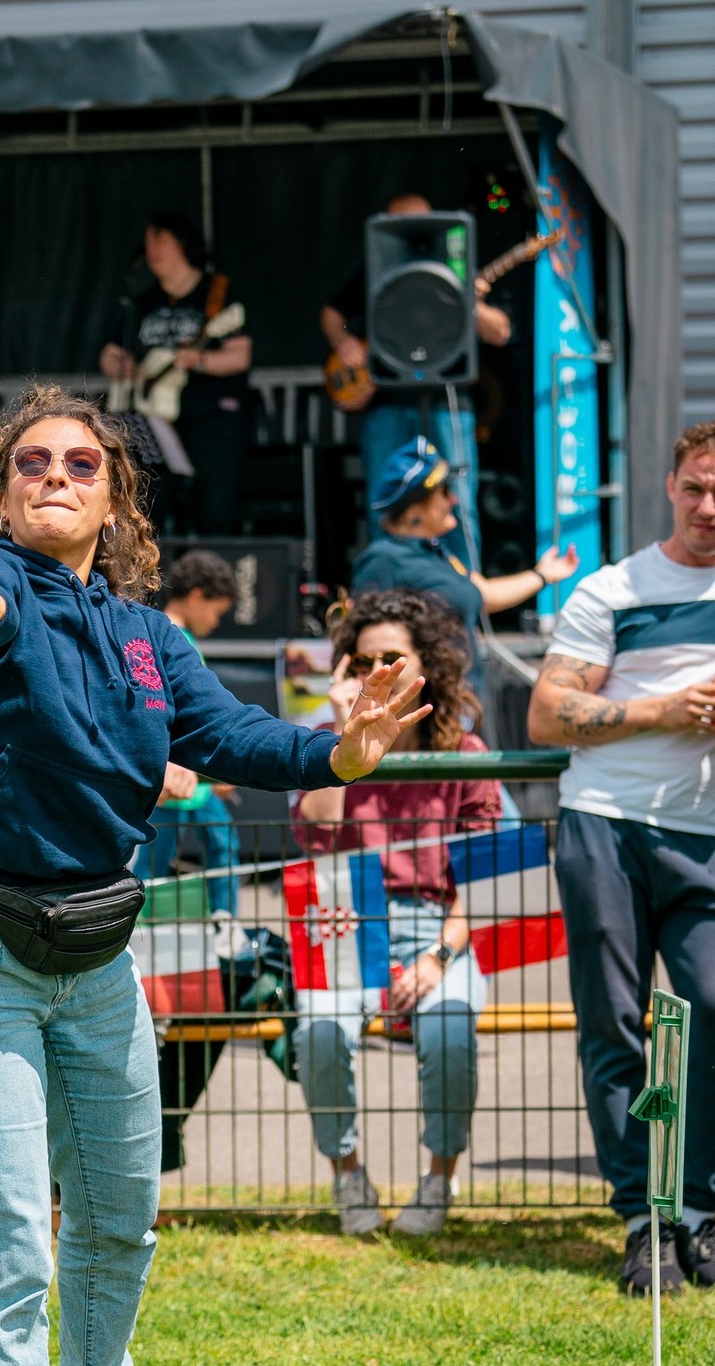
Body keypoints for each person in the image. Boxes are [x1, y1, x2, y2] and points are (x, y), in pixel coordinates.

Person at [0, 384, 428, 1365]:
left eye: (81, 464)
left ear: (115, 499)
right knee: (13, 1245)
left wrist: (338, 755)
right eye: (32, 463)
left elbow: (230, 733)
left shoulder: (149, 637)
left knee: (117, 1226)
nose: (55, 475)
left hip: (100, 965)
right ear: (1, 496)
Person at [527, 422, 715, 1298]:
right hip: (607, 821)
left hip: (707, 833)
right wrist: (662, 711)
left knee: (711, 1013)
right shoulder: (614, 590)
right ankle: (644, 1219)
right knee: (614, 1024)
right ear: (670, 487)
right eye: (695, 488)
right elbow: (547, 714)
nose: (708, 507)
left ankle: (702, 1211)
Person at [292, 588, 503, 1235]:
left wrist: (440, 958)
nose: (375, 672)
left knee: (448, 1025)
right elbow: (314, 838)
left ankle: (439, 1179)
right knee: (319, 1030)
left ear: (425, 665)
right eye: (361, 662)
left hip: (442, 929)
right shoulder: (330, 741)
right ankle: (348, 1176)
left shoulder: (464, 753)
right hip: (351, 924)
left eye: (391, 657)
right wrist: (342, 741)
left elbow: (487, 882)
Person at [320, 192, 512, 565]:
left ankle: (464, 597)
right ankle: (388, 597)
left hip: (446, 400)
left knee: (455, 503)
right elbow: (332, 312)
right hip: (387, 400)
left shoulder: (453, 269)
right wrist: (344, 342)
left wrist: (470, 302)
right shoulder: (379, 271)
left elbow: (500, 332)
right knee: (386, 502)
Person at [132, 548, 243, 1173]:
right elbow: (181, 725)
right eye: (218, 609)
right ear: (198, 594)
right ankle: (223, 918)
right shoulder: (171, 640)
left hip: (171, 785)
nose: (218, 621)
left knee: (160, 873)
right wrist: (208, 773)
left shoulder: (154, 633)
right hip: (172, 786)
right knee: (215, 839)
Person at [353, 437, 579, 696]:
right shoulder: (383, 561)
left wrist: (543, 575)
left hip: (463, 701)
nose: (454, 500)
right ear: (415, 509)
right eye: (445, 491)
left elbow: (483, 594)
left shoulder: (436, 552)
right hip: (426, 709)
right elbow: (368, 648)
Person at [99, 213, 253, 535]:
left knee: (215, 510)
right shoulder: (143, 303)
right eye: (148, 242)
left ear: (183, 244)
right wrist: (125, 369)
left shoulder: (217, 293)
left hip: (209, 416)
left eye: (161, 241)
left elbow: (240, 355)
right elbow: (110, 355)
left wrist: (199, 361)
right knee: (149, 507)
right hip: (151, 421)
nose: (151, 249)